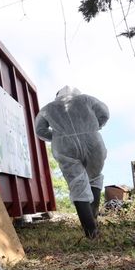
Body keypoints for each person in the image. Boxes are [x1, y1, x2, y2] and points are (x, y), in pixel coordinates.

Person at [34, 86, 109, 239]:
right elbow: (104, 113)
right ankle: (93, 218)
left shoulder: (48, 108)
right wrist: (94, 126)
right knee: (94, 177)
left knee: (77, 183)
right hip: (93, 142)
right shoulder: (86, 99)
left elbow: (40, 130)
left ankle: (91, 232)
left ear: (57, 95)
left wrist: (57, 136)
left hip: (64, 146)